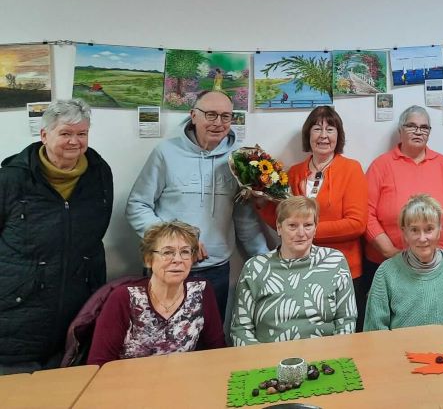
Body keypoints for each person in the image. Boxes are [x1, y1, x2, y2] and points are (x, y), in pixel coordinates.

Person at [126, 90, 269, 319]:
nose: (218, 123)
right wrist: (176, 241)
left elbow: (244, 218)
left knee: (209, 345)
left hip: (216, 272)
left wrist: (266, 259)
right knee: (161, 345)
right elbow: (137, 206)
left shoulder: (240, 160)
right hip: (166, 268)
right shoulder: (165, 153)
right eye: (210, 115)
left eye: (225, 116)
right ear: (193, 115)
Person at [0, 99, 113, 373]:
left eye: (82, 133)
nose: (74, 141)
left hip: (77, 307)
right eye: (65, 133)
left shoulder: (99, 173)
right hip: (16, 311)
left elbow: (97, 234)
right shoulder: (11, 178)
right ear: (44, 135)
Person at [256, 107, 367, 316]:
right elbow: (283, 221)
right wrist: (262, 205)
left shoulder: (351, 169)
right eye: (317, 129)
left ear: (338, 136)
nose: (323, 136)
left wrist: (306, 231)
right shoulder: (294, 172)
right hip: (300, 267)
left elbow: (357, 224)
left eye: (330, 129)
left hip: (343, 269)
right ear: (308, 135)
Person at [87, 221, 224, 365]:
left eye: (185, 252)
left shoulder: (201, 291)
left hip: (183, 381)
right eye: (167, 252)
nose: (177, 260)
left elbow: (217, 350)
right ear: (148, 259)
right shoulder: (123, 298)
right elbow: (98, 364)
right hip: (129, 384)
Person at [231, 196, 356, 344]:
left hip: (324, 361)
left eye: (308, 225)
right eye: (292, 226)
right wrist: (261, 362)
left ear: (316, 228)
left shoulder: (335, 261)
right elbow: (241, 329)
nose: (301, 233)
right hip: (269, 361)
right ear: (279, 227)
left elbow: (346, 320)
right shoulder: (255, 268)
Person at [365, 105, 443, 270]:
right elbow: (366, 213)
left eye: (424, 127)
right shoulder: (381, 166)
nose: (418, 131)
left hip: (441, 263)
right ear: (401, 130)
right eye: (411, 126)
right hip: (391, 264)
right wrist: (391, 253)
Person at [364, 194, 443, 330]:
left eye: (429, 229)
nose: (422, 238)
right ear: (404, 233)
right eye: (414, 230)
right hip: (403, 350)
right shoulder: (386, 272)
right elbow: (374, 331)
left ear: (439, 230)